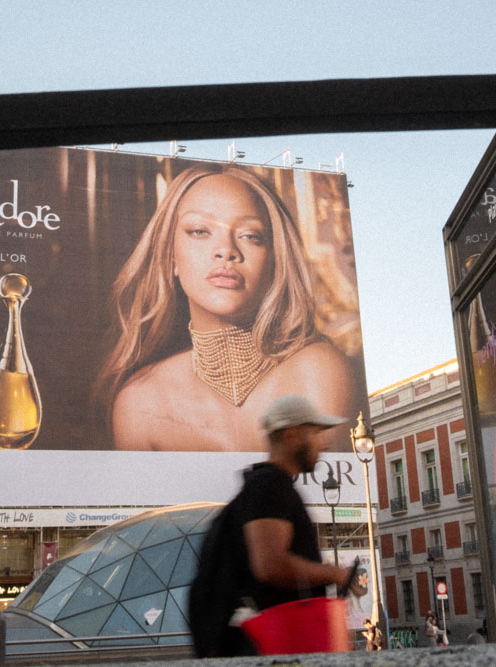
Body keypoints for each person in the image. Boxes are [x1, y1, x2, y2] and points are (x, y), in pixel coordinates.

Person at [95, 165, 359, 451]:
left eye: (250, 235)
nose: (226, 250)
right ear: (170, 256)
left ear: (274, 261)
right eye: (199, 231)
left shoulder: (318, 370)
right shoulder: (139, 401)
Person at [190, 394, 355, 656]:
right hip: (277, 644)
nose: (322, 445)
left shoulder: (266, 485)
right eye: (315, 433)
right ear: (291, 435)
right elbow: (270, 565)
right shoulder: (270, 486)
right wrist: (333, 574)